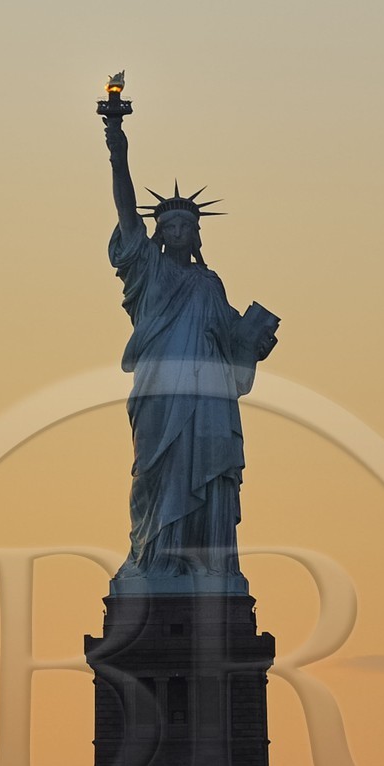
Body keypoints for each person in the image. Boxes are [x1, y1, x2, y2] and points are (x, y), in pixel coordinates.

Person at [104, 114, 278, 583]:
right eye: (170, 224)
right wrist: (118, 150)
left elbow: (231, 347)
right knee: (155, 474)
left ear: (196, 234)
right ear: (158, 233)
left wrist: (254, 344)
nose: (178, 230)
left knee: (207, 472)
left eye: (186, 225)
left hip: (207, 400)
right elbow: (125, 210)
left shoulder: (209, 284)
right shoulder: (148, 271)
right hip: (161, 393)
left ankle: (203, 561)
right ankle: (155, 557)